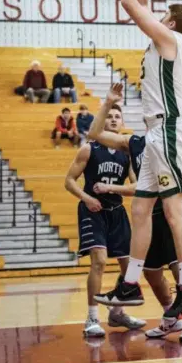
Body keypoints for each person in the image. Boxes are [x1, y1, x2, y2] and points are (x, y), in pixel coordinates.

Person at [92, 0, 182, 321]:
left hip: (169, 130)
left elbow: (129, 3)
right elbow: (140, 0)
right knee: (141, 209)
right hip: (156, 132)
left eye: (161, 14)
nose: (153, 15)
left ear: (170, 22)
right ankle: (130, 283)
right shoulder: (165, 39)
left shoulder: (169, 38)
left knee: (174, 211)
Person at [89, 84, 182, 342]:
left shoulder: (171, 131)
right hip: (149, 217)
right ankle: (170, 318)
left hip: (171, 212)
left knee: (178, 269)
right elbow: (95, 133)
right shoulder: (134, 142)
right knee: (152, 273)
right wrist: (108, 102)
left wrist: (168, 107)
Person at [64, 103, 145, 337]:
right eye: (108, 116)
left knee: (129, 267)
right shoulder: (89, 149)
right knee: (99, 261)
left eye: (117, 116)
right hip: (93, 211)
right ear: (102, 121)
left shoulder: (127, 153)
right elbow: (69, 180)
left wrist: (113, 187)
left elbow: (137, 185)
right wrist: (87, 197)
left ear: (122, 123)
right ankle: (91, 318)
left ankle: (117, 312)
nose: (112, 120)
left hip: (117, 211)